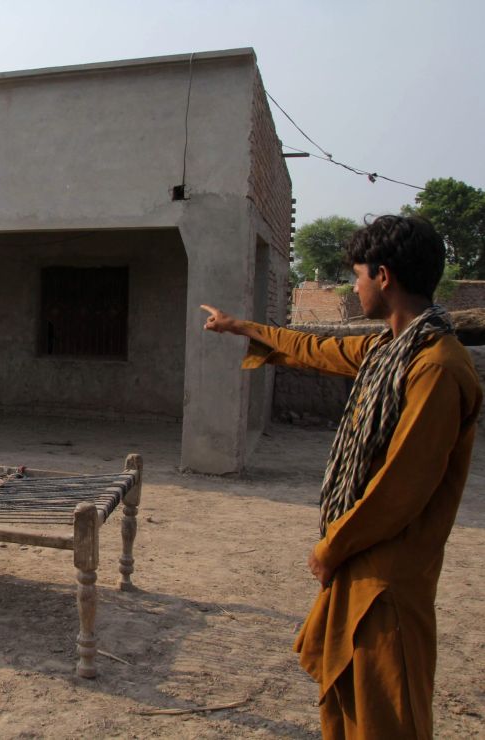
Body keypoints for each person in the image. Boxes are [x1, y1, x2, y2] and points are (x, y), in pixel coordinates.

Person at [201, 215, 480, 739]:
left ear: (383, 276)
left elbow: (402, 487)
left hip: (388, 579)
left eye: (356, 276)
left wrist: (331, 547)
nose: (353, 287)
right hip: (363, 564)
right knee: (346, 702)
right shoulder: (388, 352)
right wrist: (240, 326)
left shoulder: (437, 367)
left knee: (387, 715)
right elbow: (316, 349)